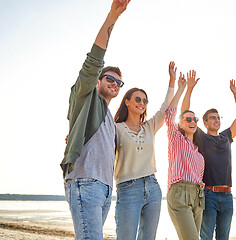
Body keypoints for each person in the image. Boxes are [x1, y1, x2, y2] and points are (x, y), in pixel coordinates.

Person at [60, 1, 130, 239]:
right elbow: (93, 62)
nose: (114, 83)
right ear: (98, 81)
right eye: (109, 78)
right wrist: (112, 17)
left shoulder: (109, 118)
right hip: (85, 182)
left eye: (119, 82)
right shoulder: (85, 97)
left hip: (104, 188)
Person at [113, 62, 177, 239]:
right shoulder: (115, 128)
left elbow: (165, 107)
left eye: (144, 100)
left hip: (153, 187)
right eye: (137, 99)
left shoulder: (149, 127)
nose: (142, 103)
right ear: (127, 102)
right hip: (127, 188)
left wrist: (172, 81)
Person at [181, 76, 236, 240]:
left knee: (224, 237)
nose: (216, 120)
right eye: (213, 118)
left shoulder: (226, 137)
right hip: (208, 195)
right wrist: (189, 89)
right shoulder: (201, 137)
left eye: (218, 117)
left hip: (228, 195)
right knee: (206, 236)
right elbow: (184, 115)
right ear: (204, 122)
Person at [166, 71, 205, 240]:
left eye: (195, 119)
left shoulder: (198, 152)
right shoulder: (177, 139)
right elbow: (169, 114)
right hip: (179, 193)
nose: (192, 122)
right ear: (180, 124)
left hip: (197, 195)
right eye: (188, 119)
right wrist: (182, 88)